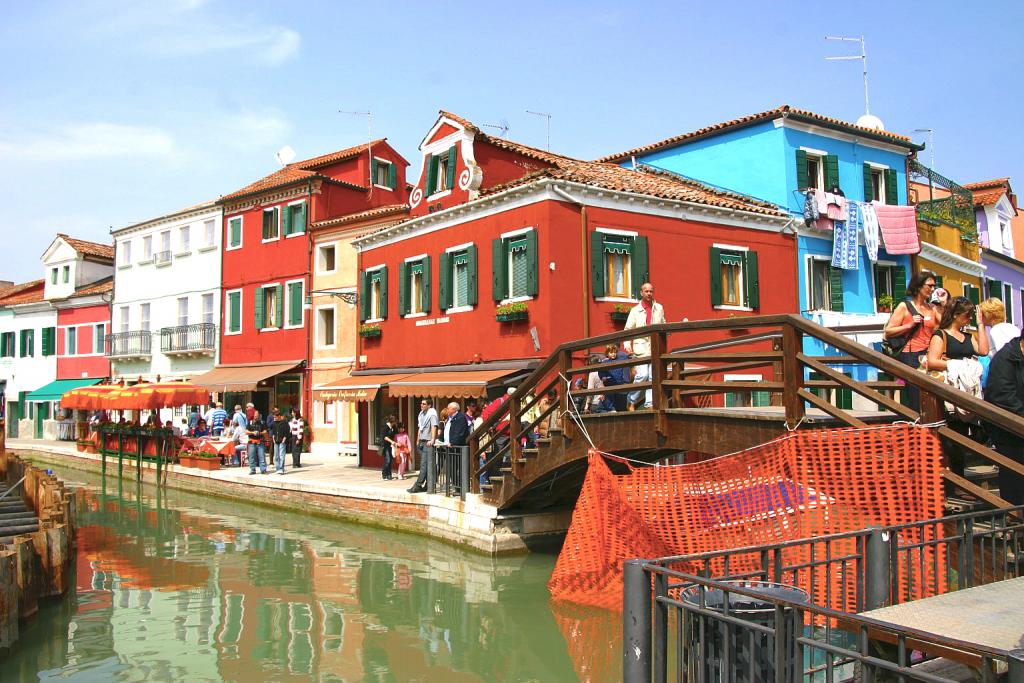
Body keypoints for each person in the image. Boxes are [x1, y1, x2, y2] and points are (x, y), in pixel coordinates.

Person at [883, 271, 939, 412]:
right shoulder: (904, 306)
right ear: (919, 286)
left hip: (929, 355)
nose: (932, 289)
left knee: (933, 393)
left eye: (934, 286)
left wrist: (944, 303)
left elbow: (944, 326)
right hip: (911, 355)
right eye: (930, 285)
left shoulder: (932, 308)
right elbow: (889, 331)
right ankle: (917, 426)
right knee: (916, 395)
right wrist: (908, 325)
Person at [984, 334, 1024, 504]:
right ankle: (1013, 517)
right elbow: (1004, 397)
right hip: (1008, 429)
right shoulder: (1005, 359)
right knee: (1013, 475)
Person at [624, 282, 666, 409]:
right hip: (641, 348)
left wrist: (667, 332)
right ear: (641, 293)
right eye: (646, 291)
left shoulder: (659, 308)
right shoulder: (635, 311)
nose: (649, 293)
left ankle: (649, 404)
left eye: (651, 291)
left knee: (653, 376)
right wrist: (627, 344)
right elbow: (628, 328)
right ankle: (631, 400)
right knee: (643, 375)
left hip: (655, 347)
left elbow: (663, 324)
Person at [408, 399, 439, 493]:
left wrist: (432, 439)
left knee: (424, 465)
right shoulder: (421, 414)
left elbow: (434, 427)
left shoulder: (432, 414)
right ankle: (428, 485)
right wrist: (417, 439)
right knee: (426, 465)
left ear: (429, 405)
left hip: (428, 442)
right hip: (421, 442)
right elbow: (420, 427)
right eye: (421, 403)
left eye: (424, 404)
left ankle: (418, 485)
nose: (421, 405)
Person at [599, 343, 631, 412]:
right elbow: (601, 371)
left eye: (614, 352)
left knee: (620, 400)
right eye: (611, 352)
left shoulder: (620, 359)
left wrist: (628, 355)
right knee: (610, 398)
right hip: (609, 383)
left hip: (620, 383)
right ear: (607, 354)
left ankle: (620, 411)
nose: (613, 354)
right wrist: (603, 377)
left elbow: (626, 359)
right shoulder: (605, 362)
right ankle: (612, 409)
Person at [247, 410, 268, 475]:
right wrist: (252, 432)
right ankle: (252, 469)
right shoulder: (250, 422)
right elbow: (246, 431)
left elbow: (265, 431)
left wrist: (260, 433)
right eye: (255, 415)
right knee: (251, 456)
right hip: (252, 441)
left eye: (257, 415)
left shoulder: (262, 422)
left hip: (260, 441)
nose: (256, 416)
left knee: (261, 456)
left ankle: (263, 469)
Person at [381, 414, 397, 480]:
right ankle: (384, 474)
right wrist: (392, 441)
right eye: (394, 422)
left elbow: (395, 434)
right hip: (386, 446)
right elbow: (385, 437)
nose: (395, 423)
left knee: (390, 461)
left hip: (391, 446)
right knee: (387, 460)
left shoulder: (393, 427)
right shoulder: (385, 427)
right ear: (392, 421)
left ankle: (389, 474)